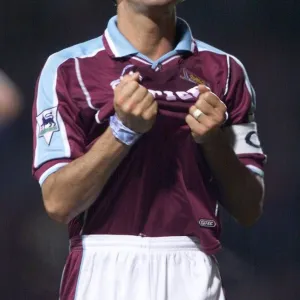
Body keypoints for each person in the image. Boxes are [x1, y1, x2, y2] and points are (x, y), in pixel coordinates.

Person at [32, 0, 266, 299]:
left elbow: (249, 208)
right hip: (103, 269)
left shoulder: (227, 71)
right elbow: (58, 202)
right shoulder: (68, 68)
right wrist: (122, 132)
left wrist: (214, 141)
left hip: (192, 268)